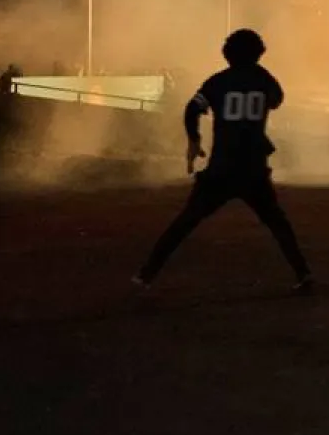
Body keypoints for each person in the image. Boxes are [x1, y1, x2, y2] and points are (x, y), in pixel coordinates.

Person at [133, 28, 312, 293]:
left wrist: (194, 141)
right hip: (253, 168)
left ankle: (146, 275)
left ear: (227, 54)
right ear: (258, 53)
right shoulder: (264, 80)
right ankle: (303, 273)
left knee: (186, 221)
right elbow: (276, 101)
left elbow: (192, 109)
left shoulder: (218, 82)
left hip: (222, 168)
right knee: (277, 223)